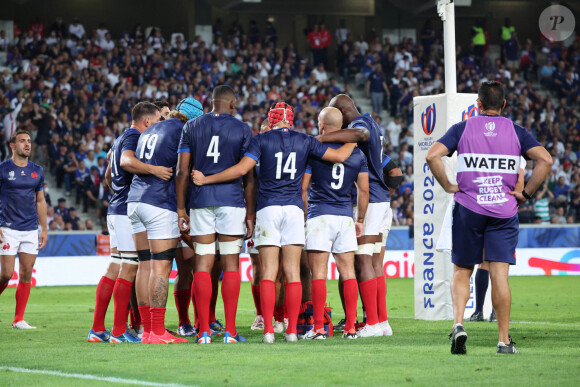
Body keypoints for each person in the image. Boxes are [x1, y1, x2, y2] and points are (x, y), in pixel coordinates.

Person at [191, 102, 365, 343]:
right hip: (293, 210)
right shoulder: (305, 140)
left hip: (268, 209)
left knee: (269, 273)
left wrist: (207, 178)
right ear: (291, 120)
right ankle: (292, 331)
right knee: (292, 273)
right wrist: (353, 139)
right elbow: (339, 155)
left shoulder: (260, 140)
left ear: (270, 120)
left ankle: (269, 332)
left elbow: (242, 169)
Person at [426, 81, 552, 355]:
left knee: (462, 270)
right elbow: (546, 160)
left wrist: (448, 185)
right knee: (500, 276)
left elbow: (432, 154)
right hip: (504, 212)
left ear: (478, 105)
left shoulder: (463, 128)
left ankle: (458, 323)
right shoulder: (517, 131)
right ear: (504, 105)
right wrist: (526, 194)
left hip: (469, 208)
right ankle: (504, 341)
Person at [176, 86, 255, 344]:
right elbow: (249, 176)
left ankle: (203, 332)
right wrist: (251, 215)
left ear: (211, 102)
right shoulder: (243, 129)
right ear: (232, 104)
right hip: (231, 201)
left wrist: (180, 208)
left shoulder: (191, 127)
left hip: (200, 202)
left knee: (202, 263)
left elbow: (182, 171)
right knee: (230, 265)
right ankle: (230, 332)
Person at [87, 102, 167, 343]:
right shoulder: (133, 137)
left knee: (115, 266)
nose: (157, 128)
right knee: (130, 267)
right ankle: (119, 331)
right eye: (157, 122)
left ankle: (98, 329)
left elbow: (108, 176)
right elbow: (126, 162)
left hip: (116, 208)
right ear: (147, 122)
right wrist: (155, 170)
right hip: (124, 211)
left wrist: (118, 193)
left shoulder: (119, 138)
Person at [319, 94, 392, 338]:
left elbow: (360, 136)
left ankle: (372, 321)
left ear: (341, 111)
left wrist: (321, 138)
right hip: (381, 199)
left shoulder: (360, 125)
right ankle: (381, 321)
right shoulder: (372, 122)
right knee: (373, 263)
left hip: (370, 199)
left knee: (363, 261)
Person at [127, 102, 199, 345]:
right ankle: (157, 330)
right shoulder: (182, 130)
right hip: (160, 202)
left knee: (145, 266)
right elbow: (183, 170)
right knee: (161, 268)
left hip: (135, 200)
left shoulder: (148, 131)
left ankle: (147, 330)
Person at [302, 107, 369, 340]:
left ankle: (319, 328)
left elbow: (303, 188)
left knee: (318, 273)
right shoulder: (358, 154)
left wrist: (304, 214)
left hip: (319, 214)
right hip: (344, 216)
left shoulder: (315, 149)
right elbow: (364, 191)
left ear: (322, 126)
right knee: (348, 272)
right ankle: (351, 328)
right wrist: (359, 219)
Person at [0, 129, 47, 329]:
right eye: (22, 141)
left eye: (28, 141)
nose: (27, 144)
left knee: (26, 273)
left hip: (30, 229)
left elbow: (40, 200)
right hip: (8, 227)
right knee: (6, 274)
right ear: (13, 145)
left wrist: (43, 228)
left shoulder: (37, 170)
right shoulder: (2, 169)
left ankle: (18, 319)